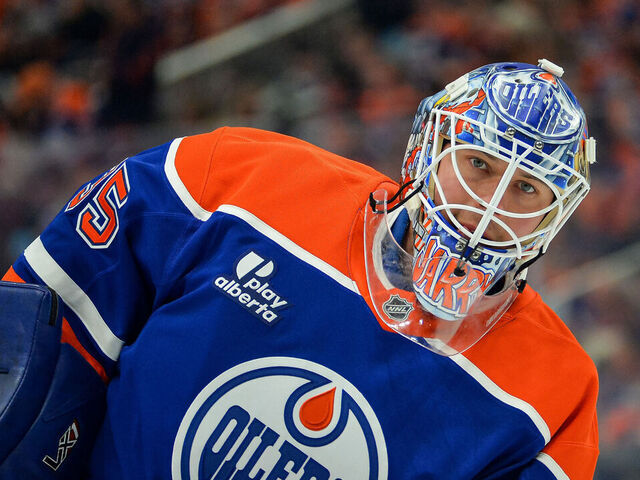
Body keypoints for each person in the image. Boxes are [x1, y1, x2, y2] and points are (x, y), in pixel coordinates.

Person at [0, 59, 599, 479]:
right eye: (478, 164)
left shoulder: (558, 394)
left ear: (557, 213)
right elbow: (41, 333)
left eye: (527, 188)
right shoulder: (238, 179)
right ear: (427, 145)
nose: (489, 205)